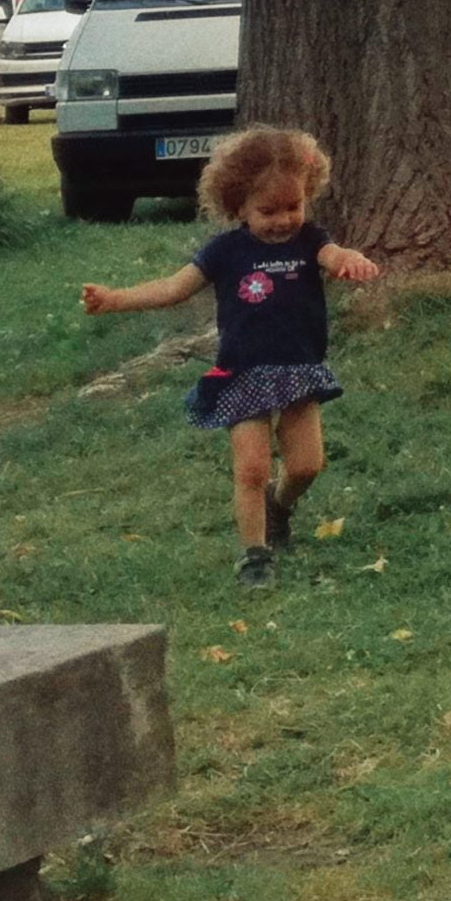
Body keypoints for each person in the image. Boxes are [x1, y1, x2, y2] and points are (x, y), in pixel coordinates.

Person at [80, 126, 380, 587]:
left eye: (293, 207)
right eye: (268, 211)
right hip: (242, 373)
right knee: (253, 468)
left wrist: (348, 259)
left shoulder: (308, 241)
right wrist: (116, 298)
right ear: (238, 205)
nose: (282, 220)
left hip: (299, 369)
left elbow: (332, 253)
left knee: (305, 466)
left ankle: (279, 508)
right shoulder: (226, 251)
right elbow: (173, 288)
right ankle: (255, 556)